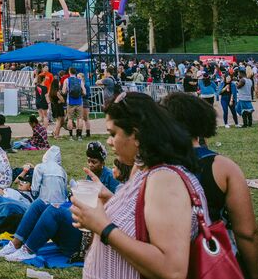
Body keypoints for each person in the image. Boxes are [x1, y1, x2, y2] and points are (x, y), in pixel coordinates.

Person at [71, 92, 208, 279]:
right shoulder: (146, 170)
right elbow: (144, 220)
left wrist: (103, 227)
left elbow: (172, 270)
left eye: (113, 133)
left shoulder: (166, 181)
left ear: (135, 135)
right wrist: (110, 199)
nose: (109, 141)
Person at [160, 91, 258, 279]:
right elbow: (247, 233)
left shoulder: (151, 168)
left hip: (163, 262)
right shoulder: (223, 168)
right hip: (213, 261)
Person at [62, 68, 87, 140]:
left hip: (70, 102)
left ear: (69, 72)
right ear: (76, 73)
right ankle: (79, 136)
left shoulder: (66, 80)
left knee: (70, 119)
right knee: (80, 118)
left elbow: (63, 91)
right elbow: (84, 92)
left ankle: (70, 136)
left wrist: (67, 90)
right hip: (79, 102)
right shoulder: (80, 80)